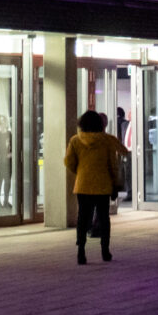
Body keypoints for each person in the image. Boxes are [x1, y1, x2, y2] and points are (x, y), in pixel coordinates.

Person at [63, 109, 124, 263]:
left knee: (83, 218)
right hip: (103, 185)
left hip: (83, 185)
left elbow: (68, 162)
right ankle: (105, 251)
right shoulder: (107, 140)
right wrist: (115, 184)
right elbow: (113, 165)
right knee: (104, 218)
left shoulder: (75, 141)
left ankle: (81, 252)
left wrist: (80, 171)